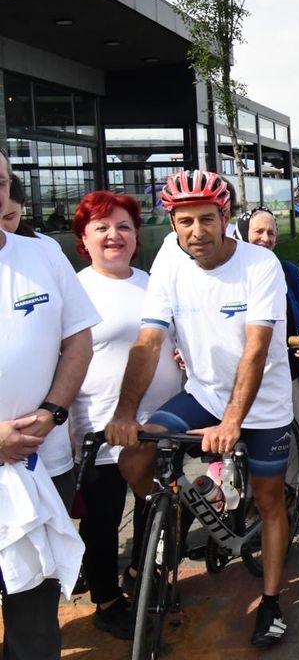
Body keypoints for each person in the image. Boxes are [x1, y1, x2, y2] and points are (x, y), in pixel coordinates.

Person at [104, 169, 294, 648]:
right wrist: (125, 414)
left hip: (263, 402)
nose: (197, 231)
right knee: (134, 457)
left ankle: (271, 602)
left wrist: (233, 422)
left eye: (207, 219)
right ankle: (178, 508)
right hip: (204, 393)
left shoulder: (259, 264)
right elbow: (149, 342)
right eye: (185, 221)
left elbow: (256, 348)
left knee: (269, 500)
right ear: (172, 222)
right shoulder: (170, 262)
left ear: (225, 217)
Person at [68, 191, 183, 639]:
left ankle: (140, 572)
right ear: (84, 238)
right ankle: (107, 600)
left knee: (156, 505)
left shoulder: (153, 283)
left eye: (124, 227)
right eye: (102, 227)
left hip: (162, 420)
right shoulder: (75, 290)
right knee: (103, 518)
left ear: (137, 236)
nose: (114, 236)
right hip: (102, 425)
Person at [0, 146, 96, 659]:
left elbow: (77, 338)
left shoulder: (42, 255)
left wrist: (53, 411)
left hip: (43, 463)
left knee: (36, 611)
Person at [241, 208, 299, 523]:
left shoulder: (287, 271)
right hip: (248, 371)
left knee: (295, 437)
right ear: (243, 233)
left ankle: (292, 497)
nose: (265, 238)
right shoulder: (234, 272)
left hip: (290, 369)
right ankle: (250, 502)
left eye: (271, 232)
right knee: (251, 442)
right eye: (258, 232)